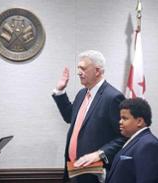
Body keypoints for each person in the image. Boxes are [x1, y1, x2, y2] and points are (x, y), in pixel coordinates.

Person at [52, 50, 126, 183]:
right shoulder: (82, 94)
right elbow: (70, 117)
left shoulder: (113, 97)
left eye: (83, 68)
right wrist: (60, 92)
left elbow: (123, 136)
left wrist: (100, 154)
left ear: (97, 71)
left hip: (94, 175)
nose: (78, 72)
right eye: (78, 68)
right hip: (72, 170)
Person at [105, 98, 158, 183]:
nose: (120, 122)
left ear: (139, 121)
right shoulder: (135, 140)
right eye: (120, 118)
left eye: (124, 118)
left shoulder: (149, 145)